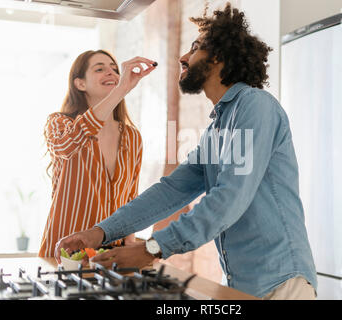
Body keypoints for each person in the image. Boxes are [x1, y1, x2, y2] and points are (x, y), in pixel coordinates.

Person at [54, 3, 317, 300]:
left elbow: (229, 198)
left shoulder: (254, 105)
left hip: (280, 284)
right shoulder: (217, 129)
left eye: (194, 48)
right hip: (242, 282)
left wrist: (151, 249)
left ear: (218, 56)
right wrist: (101, 232)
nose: (183, 57)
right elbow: (171, 191)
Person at [38, 50, 156, 257]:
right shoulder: (60, 123)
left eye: (114, 69)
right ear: (80, 84)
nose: (111, 73)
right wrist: (121, 90)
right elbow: (66, 146)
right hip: (65, 251)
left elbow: (130, 197)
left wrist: (129, 244)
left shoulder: (132, 136)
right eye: (100, 69)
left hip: (112, 255)